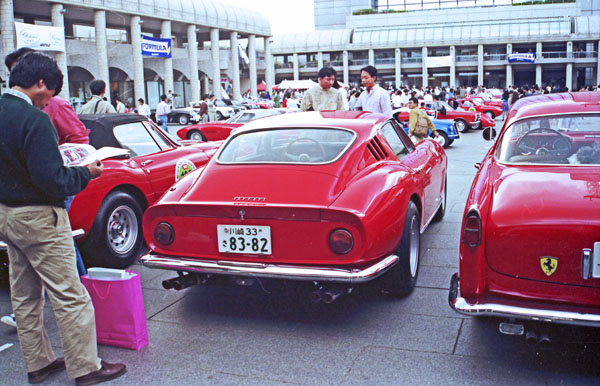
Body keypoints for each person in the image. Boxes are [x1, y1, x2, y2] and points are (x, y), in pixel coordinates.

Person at [0, 51, 126, 385]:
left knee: (25, 295)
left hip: (6, 216)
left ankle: (38, 363)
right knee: (70, 295)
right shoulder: (34, 120)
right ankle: (86, 367)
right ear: (40, 83)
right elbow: (52, 179)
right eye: (49, 94)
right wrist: (87, 173)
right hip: (40, 218)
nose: (48, 102)